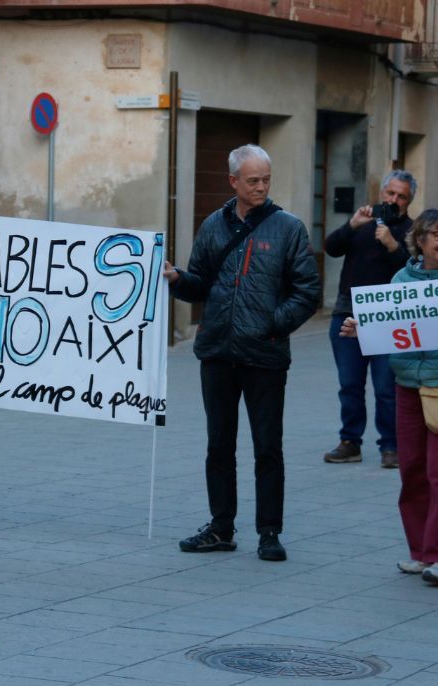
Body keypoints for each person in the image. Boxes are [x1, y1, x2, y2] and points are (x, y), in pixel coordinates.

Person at [164, 144, 320, 562]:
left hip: (264, 356)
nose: (261, 187)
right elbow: (199, 283)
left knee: (268, 446)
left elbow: (308, 292)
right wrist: (177, 278)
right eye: (252, 181)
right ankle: (220, 528)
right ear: (233, 181)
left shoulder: (288, 228)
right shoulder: (213, 225)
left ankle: (269, 532)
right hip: (216, 351)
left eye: (266, 179)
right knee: (219, 445)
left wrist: (271, 324)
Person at [341, 208, 438, 586]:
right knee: (413, 472)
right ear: (421, 240)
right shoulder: (403, 278)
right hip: (408, 386)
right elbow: (389, 329)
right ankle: (422, 551)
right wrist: (359, 329)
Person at [322, 170, 415, 469]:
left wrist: (392, 245)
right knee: (349, 383)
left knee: (386, 387)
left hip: (388, 316)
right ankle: (350, 442)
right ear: (381, 193)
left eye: (401, 196)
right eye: (390, 193)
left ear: (409, 201)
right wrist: (351, 225)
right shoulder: (362, 222)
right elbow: (331, 247)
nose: (393, 200)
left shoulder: (413, 231)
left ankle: (390, 446)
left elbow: (413, 270)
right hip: (347, 313)